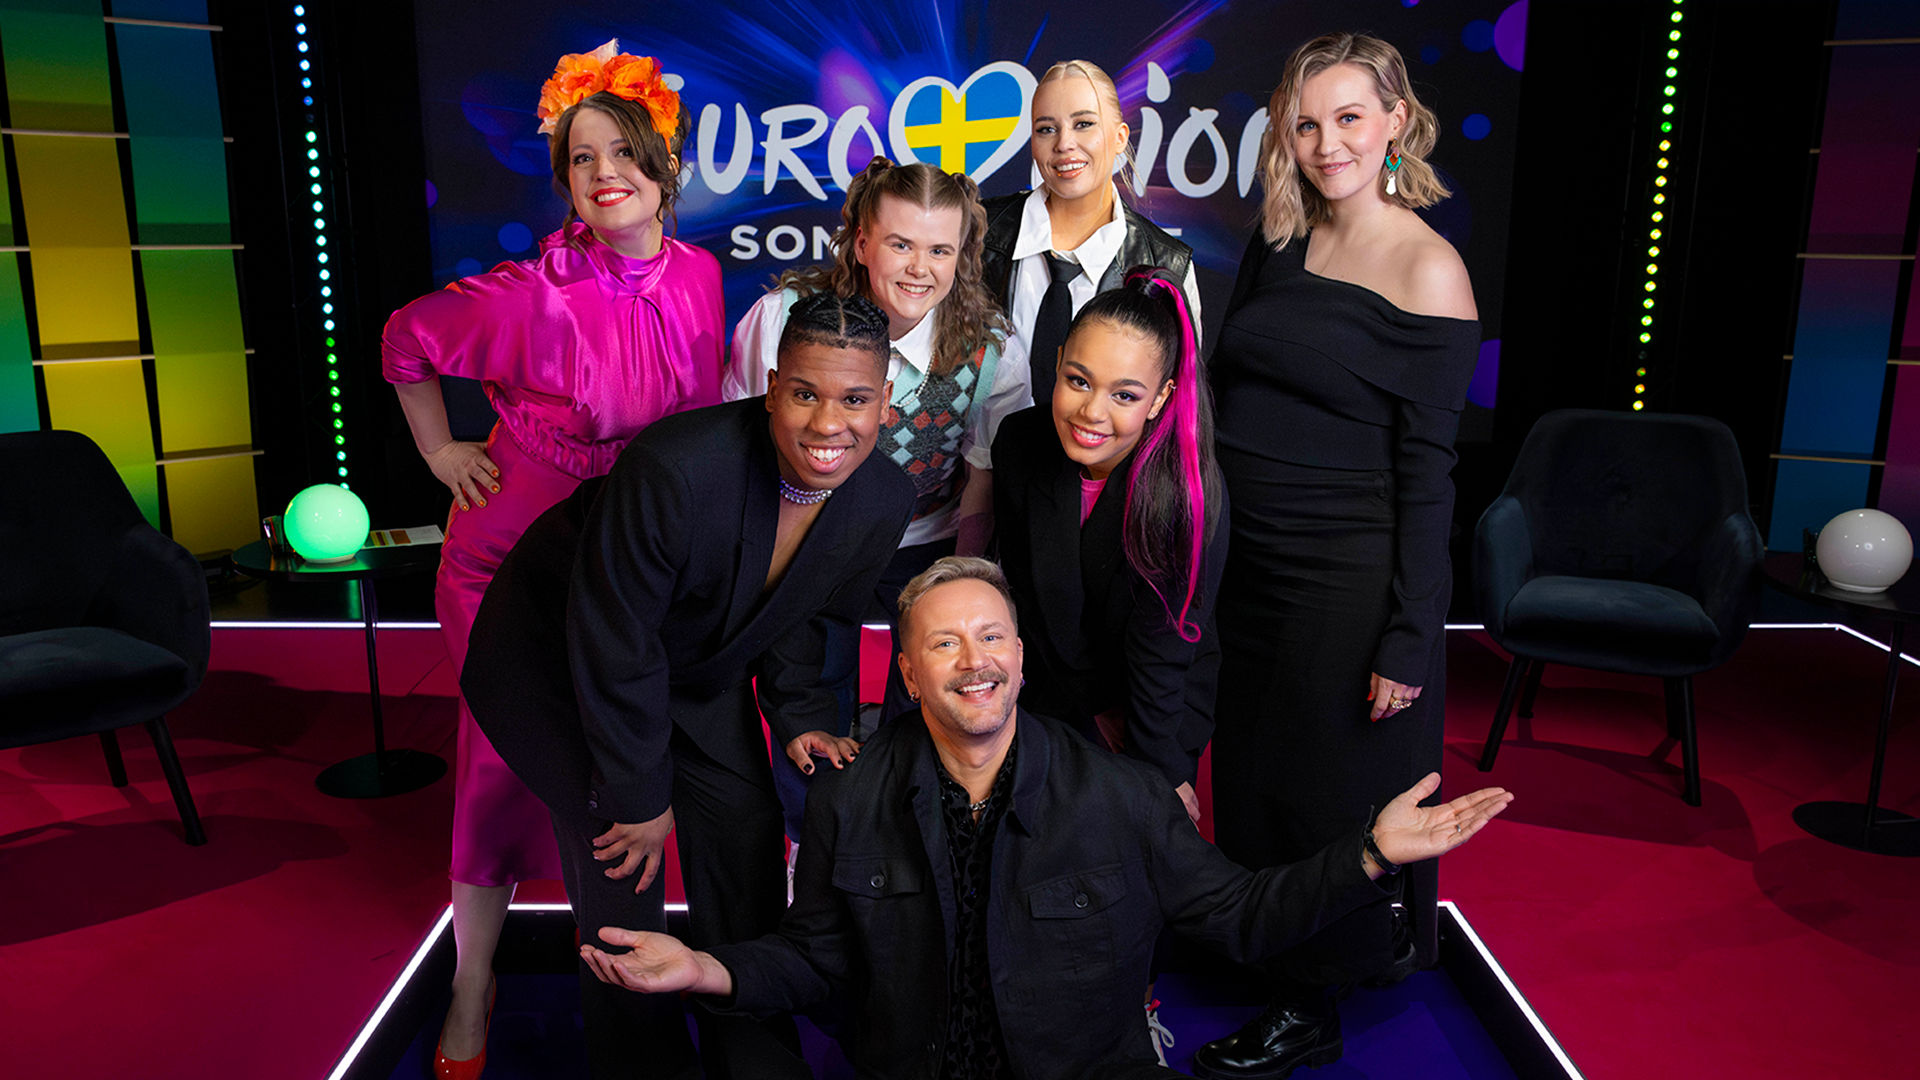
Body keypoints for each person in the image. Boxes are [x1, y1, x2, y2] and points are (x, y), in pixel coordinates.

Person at [576, 557, 1512, 1079]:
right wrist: (702, 967)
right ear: (908, 675)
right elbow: (817, 957)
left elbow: (1241, 916)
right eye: (945, 643)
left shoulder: (1122, 795)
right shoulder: (850, 800)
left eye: (991, 637)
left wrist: (1370, 854)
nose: (973, 660)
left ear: (1020, 660)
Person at [378, 39, 723, 1080]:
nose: (604, 172)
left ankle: (633, 980)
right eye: (582, 157)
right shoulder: (533, 293)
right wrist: (441, 452)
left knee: (627, 769)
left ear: (664, 166)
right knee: (500, 773)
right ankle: (474, 980)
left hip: (628, 565)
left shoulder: (701, 274)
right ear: (565, 180)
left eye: (623, 151)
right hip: (508, 568)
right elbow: (405, 338)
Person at [460, 292, 914, 1080]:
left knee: (745, 836)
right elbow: (613, 637)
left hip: (692, 664)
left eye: (854, 399)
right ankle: (640, 1064)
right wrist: (638, 796)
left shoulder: (881, 498)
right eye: (805, 394)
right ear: (771, 388)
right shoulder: (676, 467)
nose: (827, 424)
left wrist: (802, 714)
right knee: (622, 871)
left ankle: (755, 1060)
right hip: (558, 661)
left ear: (885, 400)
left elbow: (817, 614)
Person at [1195, 33, 1482, 1080]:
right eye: (1306, 123)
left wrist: (1410, 636)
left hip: (1345, 583)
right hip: (1250, 568)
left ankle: (1311, 1003)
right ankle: (1268, 939)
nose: (1327, 143)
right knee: (1253, 777)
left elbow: (1429, 479)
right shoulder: (1283, 235)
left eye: (1350, 118)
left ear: (1396, 121)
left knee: (1322, 791)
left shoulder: (1429, 267)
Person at [725, 157, 1031, 731]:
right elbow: (741, 451)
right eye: (900, 245)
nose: (920, 268)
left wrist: (957, 582)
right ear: (862, 243)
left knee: (925, 705)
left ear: (962, 256)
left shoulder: (993, 349)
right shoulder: (783, 321)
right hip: (801, 535)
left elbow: (982, 481)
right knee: (808, 696)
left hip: (923, 542)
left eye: (940, 250)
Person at [991, 267, 1224, 825]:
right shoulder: (1020, 445)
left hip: (1156, 699)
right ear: (1057, 362)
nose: (1092, 412)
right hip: (1053, 679)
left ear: (1160, 398)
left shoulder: (1186, 492)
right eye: (1078, 381)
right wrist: (1089, 709)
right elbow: (1033, 601)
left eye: (1124, 395)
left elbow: (1163, 649)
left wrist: (1163, 768)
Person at [981, 60, 1203, 406]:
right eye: (1046, 129)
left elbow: (1180, 401)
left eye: (1083, 124)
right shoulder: (977, 232)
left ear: (1119, 137)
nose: (1064, 143)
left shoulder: (1168, 265)